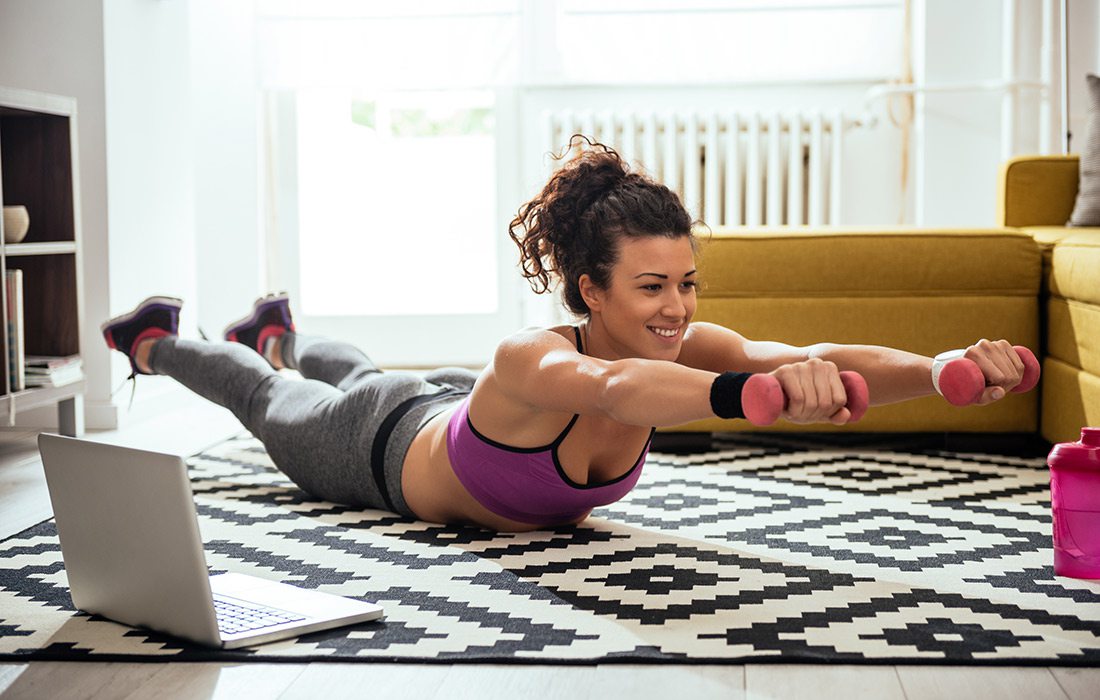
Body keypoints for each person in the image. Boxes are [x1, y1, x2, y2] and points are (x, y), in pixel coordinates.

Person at [102, 139, 1032, 533]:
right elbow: (618, 393)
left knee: (368, 370)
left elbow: (812, 356)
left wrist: (943, 372)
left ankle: (280, 327)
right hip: (374, 448)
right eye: (652, 287)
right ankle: (158, 338)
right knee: (276, 402)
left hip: (434, 402)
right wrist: (751, 400)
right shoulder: (533, 357)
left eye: (688, 283)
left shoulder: (685, 346)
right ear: (590, 289)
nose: (677, 308)